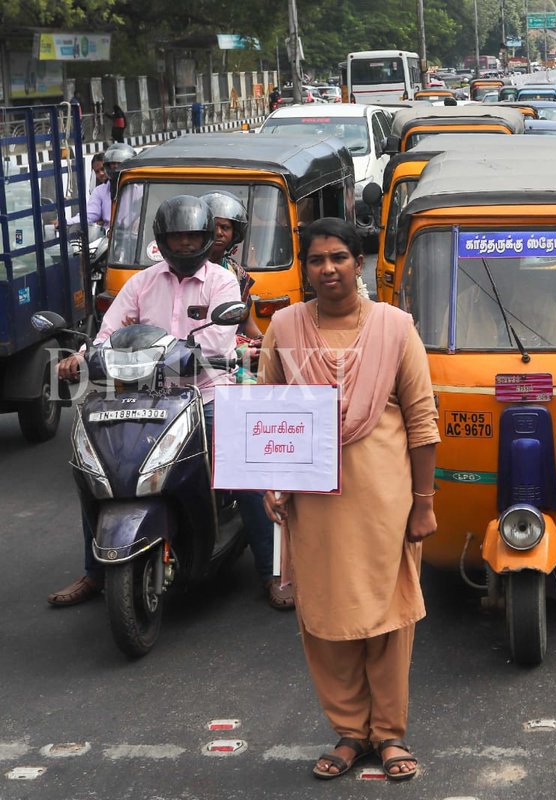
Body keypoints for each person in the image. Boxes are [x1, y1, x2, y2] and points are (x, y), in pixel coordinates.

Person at [260, 218, 439, 781]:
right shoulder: (285, 328)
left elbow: (422, 420)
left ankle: (389, 735)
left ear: (358, 263)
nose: (328, 269)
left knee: (388, 619)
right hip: (314, 503)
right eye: (316, 260)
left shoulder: (395, 327)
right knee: (325, 617)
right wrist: (270, 482)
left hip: (385, 502)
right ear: (305, 268)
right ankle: (348, 733)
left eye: (339, 257)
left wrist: (424, 501)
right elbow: (266, 413)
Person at [47, 195, 289, 610]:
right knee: (97, 473)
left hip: (208, 393)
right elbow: (107, 334)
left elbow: (214, 343)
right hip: (141, 394)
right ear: (163, 240)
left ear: (207, 238)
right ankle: (94, 572)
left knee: (246, 477)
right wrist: (82, 357)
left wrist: (189, 355)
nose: (184, 246)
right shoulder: (142, 283)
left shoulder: (221, 282)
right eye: (176, 239)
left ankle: (272, 573)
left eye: (192, 238)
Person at [201, 191, 262, 338]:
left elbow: (244, 317)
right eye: (214, 226)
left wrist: (263, 343)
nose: (219, 233)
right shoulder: (186, 268)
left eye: (225, 227)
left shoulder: (236, 272)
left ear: (234, 233)